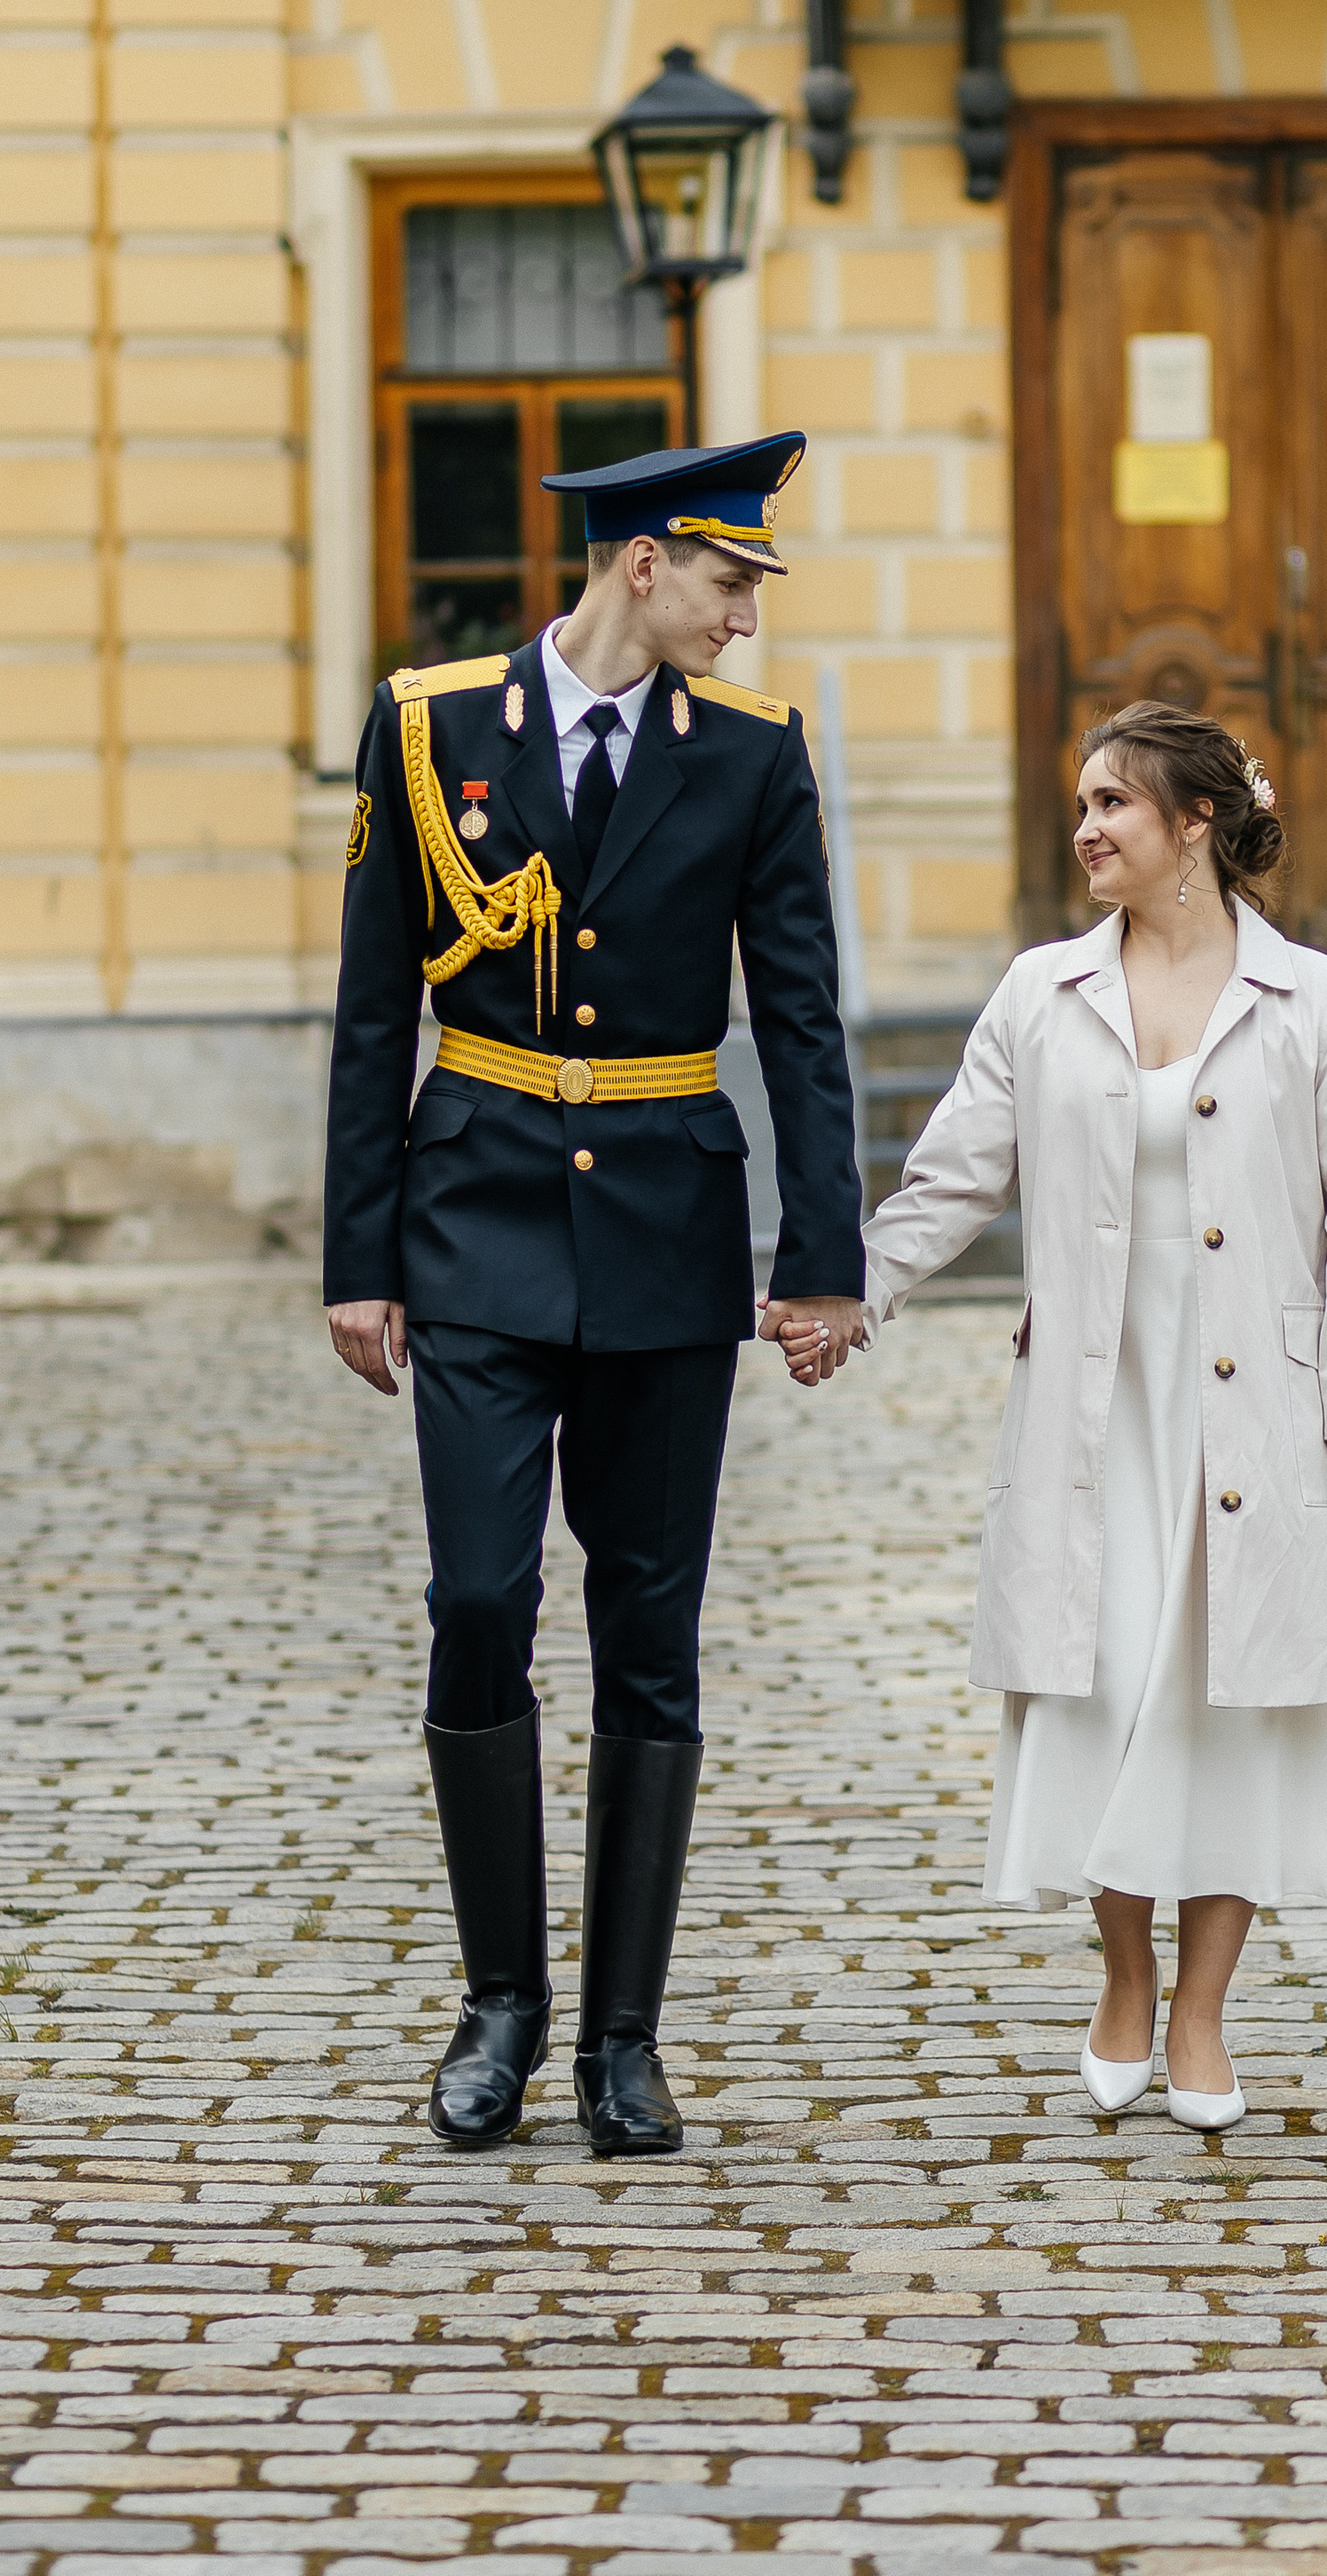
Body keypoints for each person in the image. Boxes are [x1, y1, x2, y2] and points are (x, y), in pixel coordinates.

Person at [777, 700, 1327, 2132]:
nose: (1084, 828)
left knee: (1224, 1703)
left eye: (1112, 805)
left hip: (1256, 1412)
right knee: (1102, 1690)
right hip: (1095, 1401)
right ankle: (1123, 1980)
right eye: (1081, 804)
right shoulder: (1041, 993)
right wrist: (850, 1296)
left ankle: (1203, 2012)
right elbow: (956, 1174)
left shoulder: (1315, 1000)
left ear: (1194, 824)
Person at [324, 433, 866, 2160]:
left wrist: (822, 1256)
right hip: (473, 1222)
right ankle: (501, 2002)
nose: (741, 620)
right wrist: (358, 1259)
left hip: (657, 1235)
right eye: (727, 583)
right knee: (477, 1601)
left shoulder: (757, 760)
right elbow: (365, 1018)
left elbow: (798, 1016)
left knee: (649, 1632)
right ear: (640, 566)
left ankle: (620, 2040)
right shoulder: (429, 730)